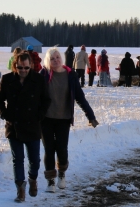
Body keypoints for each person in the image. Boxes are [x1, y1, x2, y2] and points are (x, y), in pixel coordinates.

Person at [39, 47, 98, 193]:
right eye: (52, 58)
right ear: (48, 60)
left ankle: (62, 173)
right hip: (45, 119)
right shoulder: (44, 74)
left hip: (63, 119)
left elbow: (80, 97)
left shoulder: (70, 75)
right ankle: (50, 181)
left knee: (62, 149)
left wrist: (90, 116)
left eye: (57, 57)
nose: (55, 60)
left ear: (62, 58)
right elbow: (35, 96)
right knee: (49, 149)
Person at [0, 52, 51, 202]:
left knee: (35, 160)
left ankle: (33, 179)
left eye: (26, 67)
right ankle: (20, 188)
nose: (23, 70)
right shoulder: (7, 80)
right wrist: (5, 114)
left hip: (32, 125)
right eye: (20, 67)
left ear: (31, 66)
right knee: (17, 159)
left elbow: (46, 100)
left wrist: (40, 116)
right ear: (15, 65)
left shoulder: (38, 80)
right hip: (14, 126)